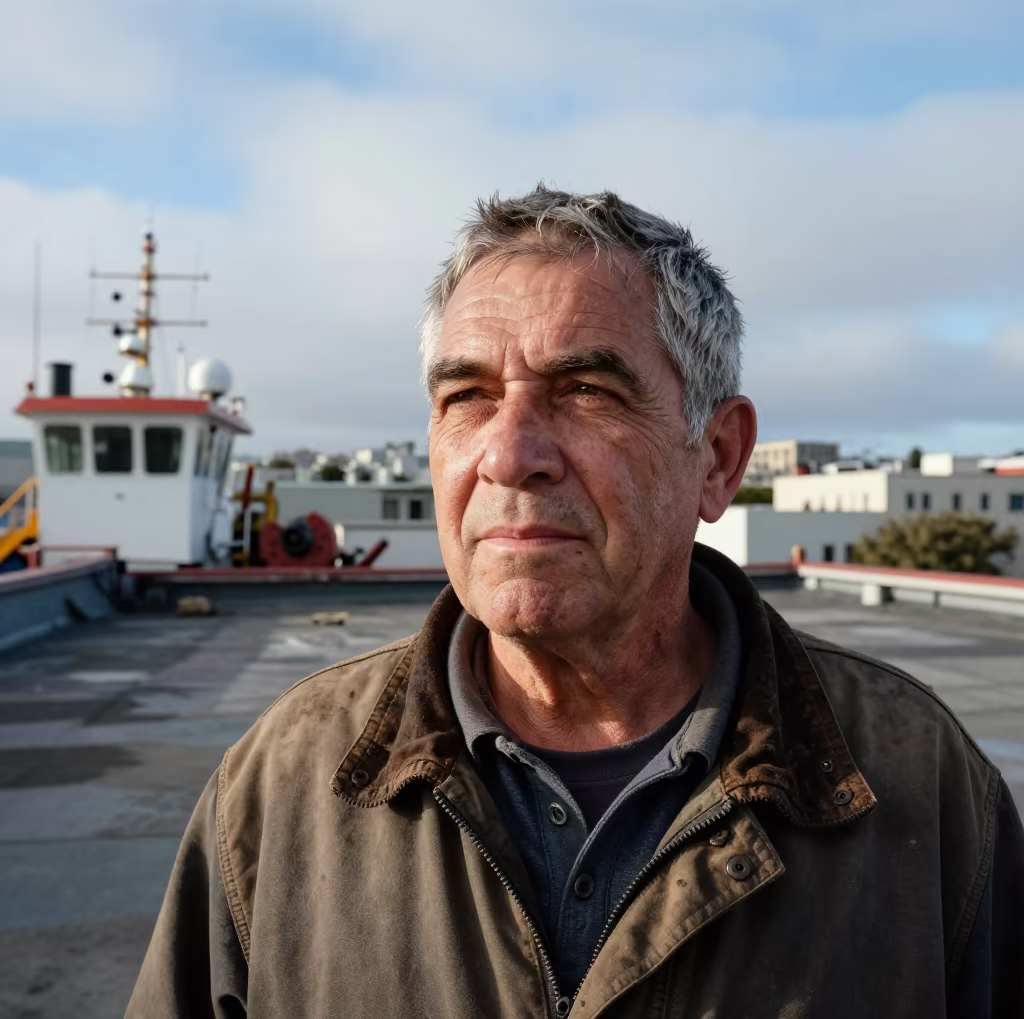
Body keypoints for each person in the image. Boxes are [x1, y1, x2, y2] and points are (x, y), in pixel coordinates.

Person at [128, 185, 1024, 1019]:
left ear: (716, 457)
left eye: (586, 392)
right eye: (467, 397)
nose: (510, 453)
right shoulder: (286, 781)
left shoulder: (916, 782)